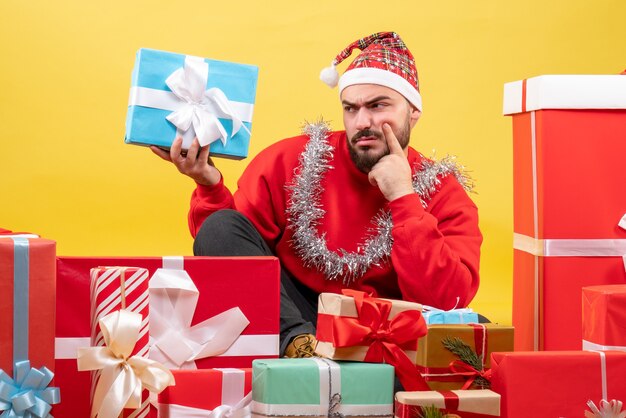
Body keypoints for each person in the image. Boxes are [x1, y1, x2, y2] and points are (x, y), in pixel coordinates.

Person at [151, 32, 482, 358]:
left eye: (378, 106)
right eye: (351, 109)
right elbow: (225, 250)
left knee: (473, 335)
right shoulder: (293, 160)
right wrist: (208, 184)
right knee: (221, 226)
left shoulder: (442, 190)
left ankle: (342, 370)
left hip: (385, 331)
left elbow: (447, 301)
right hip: (295, 318)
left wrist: (403, 197)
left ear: (413, 112)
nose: (363, 122)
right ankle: (303, 354)